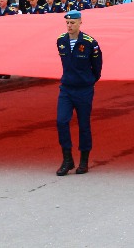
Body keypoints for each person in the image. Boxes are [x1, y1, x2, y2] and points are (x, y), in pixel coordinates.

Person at [55, 10, 103, 176]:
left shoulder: (90, 43)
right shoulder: (61, 41)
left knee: (84, 125)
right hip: (66, 89)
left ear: (80, 23)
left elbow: (97, 67)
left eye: (72, 23)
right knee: (61, 121)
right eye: (67, 23)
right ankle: (67, 159)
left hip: (84, 90)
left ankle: (84, 161)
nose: (69, 26)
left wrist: (88, 81)